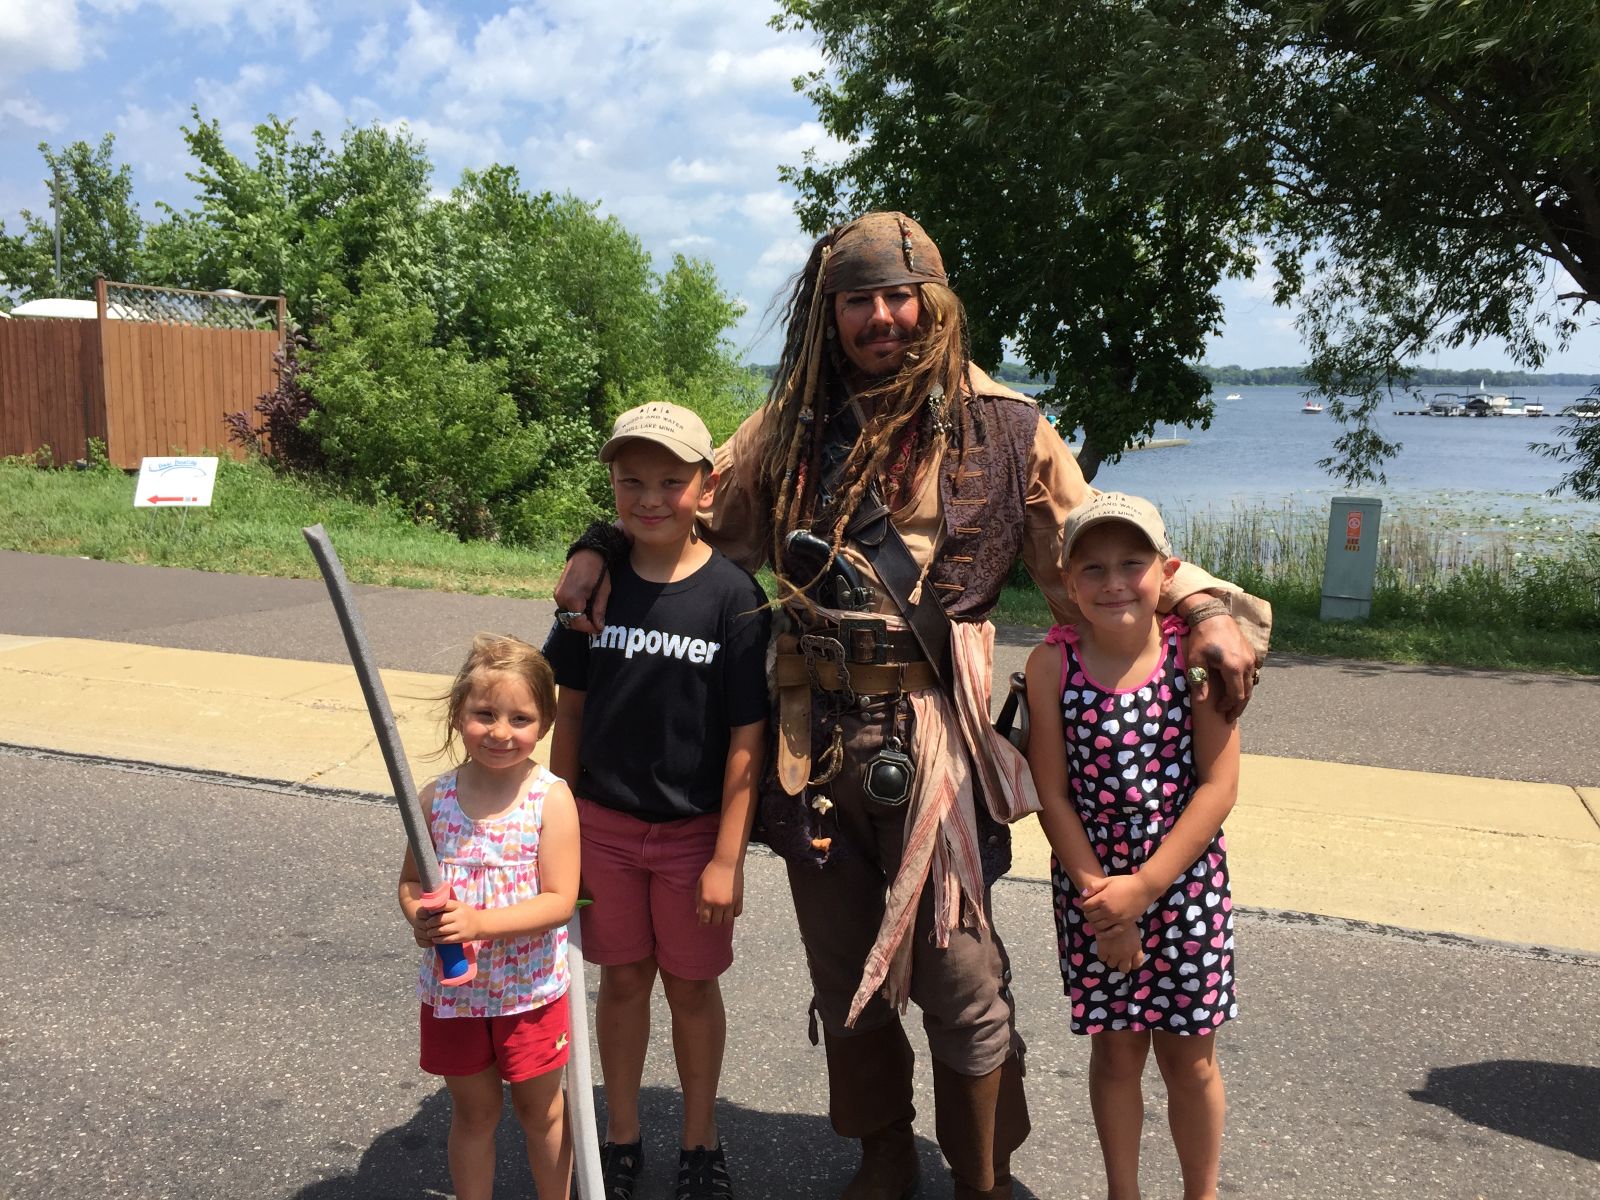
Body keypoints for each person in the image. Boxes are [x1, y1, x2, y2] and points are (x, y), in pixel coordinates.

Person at [554, 212, 1269, 1199]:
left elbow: (1103, 549)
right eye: (858, 299)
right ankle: (882, 1159)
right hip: (812, 745)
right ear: (831, 312)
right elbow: (685, 510)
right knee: (843, 974)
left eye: (899, 296)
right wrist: (598, 542)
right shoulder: (790, 423)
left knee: (962, 980)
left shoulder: (1007, 425)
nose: (881, 317)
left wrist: (1206, 610)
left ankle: (979, 1177)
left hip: (939, 739)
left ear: (935, 304)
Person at [544, 401, 770, 1200]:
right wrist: (557, 830)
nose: (649, 498)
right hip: (600, 828)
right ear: (611, 484)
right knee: (622, 981)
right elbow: (570, 711)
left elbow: (747, 736)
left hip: (693, 836)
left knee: (692, 988)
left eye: (671, 482)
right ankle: (621, 1135)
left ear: (706, 489)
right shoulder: (593, 590)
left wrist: (727, 858)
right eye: (631, 481)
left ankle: (700, 1142)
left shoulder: (734, 597)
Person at [1023, 492, 1239, 1200]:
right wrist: (1107, 909)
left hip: (1185, 888)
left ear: (1167, 571)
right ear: (1067, 581)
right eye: (1093, 568)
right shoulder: (1051, 666)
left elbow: (1219, 787)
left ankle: (1201, 1193)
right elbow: (1052, 793)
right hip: (1091, 888)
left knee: (1191, 1063)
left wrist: (1143, 890)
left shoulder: (1194, 660)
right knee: (1116, 1057)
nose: (1114, 582)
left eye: (1132, 564)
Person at [398, 634, 580, 1200]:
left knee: (541, 1112)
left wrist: (478, 924)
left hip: (529, 993)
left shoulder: (550, 798)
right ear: (459, 714)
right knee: (474, 1114)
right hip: (455, 995)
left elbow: (560, 900)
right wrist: (419, 916)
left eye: (520, 718)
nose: (501, 732)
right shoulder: (434, 799)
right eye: (485, 714)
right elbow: (411, 882)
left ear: (545, 724)